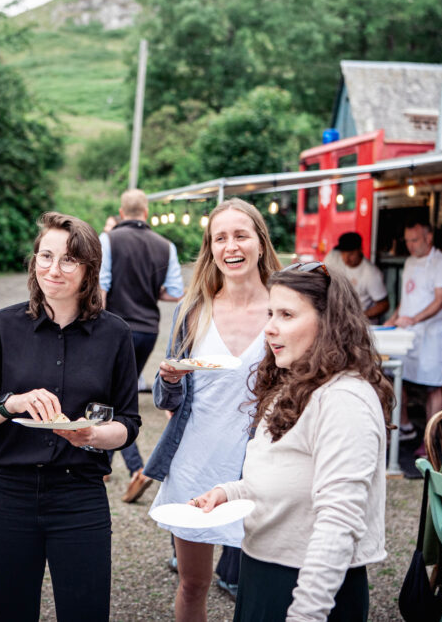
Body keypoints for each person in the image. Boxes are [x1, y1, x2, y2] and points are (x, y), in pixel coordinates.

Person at [0, 211, 141, 621]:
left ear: (90, 268)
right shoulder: (2, 326)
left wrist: (91, 435)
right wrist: (10, 403)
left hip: (80, 496)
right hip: (8, 495)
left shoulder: (115, 334)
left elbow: (128, 424)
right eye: (45, 256)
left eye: (69, 259)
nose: (54, 269)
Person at [192, 262, 394, 620]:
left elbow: (339, 522)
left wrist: (307, 613)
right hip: (263, 569)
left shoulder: (344, 399)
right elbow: (285, 473)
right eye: (271, 313)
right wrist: (230, 493)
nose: (269, 328)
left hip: (307, 584)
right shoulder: (294, 383)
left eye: (286, 314)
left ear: (329, 322)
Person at [145, 198, 281, 621]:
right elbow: (167, 398)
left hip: (262, 466)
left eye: (241, 235)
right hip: (195, 463)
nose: (231, 246)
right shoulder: (193, 309)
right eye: (220, 237)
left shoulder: (286, 307)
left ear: (260, 241)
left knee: (261, 589)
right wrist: (167, 380)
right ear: (210, 248)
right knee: (194, 584)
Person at [99, 188, 184, 503]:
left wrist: (98, 326)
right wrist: (149, 291)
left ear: (121, 213)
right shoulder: (166, 245)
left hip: (116, 327)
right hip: (148, 330)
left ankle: (136, 467)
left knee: (111, 398)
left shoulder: (108, 239)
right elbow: (175, 291)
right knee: (117, 391)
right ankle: (103, 465)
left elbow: (101, 285)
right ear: (146, 213)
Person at [383, 219, 442, 441]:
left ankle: (430, 440)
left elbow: (441, 299)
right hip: (406, 332)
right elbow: (407, 299)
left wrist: (414, 319)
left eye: (414, 240)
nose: (410, 246)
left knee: (433, 385)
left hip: (431, 334)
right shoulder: (409, 262)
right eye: (407, 241)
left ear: (429, 237)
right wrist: (393, 320)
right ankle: (404, 426)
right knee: (395, 376)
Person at [323, 231, 389, 323]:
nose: (346, 258)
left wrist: (359, 316)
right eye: (343, 253)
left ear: (360, 249)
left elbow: (383, 304)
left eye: (351, 254)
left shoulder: (371, 273)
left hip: (361, 324)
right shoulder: (333, 257)